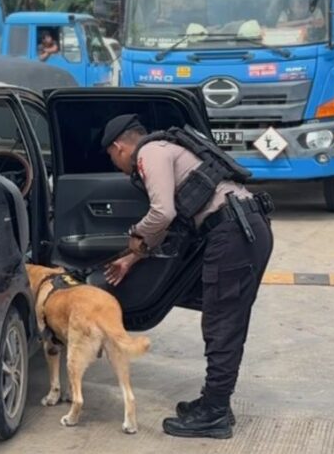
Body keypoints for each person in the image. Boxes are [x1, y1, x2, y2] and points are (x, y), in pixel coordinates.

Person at [100, 114, 274, 440]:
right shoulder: (168, 148)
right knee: (221, 317)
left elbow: (162, 213)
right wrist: (132, 258)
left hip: (233, 232)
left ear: (119, 146)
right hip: (242, 227)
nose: (115, 164)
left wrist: (135, 235)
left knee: (222, 323)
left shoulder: (149, 154)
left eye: (111, 156)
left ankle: (215, 414)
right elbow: (174, 220)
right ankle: (215, 401)